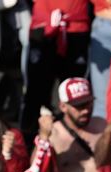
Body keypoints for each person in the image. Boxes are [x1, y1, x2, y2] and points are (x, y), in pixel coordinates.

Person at [20, 0, 91, 142]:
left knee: (76, 91)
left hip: (76, 28)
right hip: (44, 25)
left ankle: (76, 143)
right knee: (36, 91)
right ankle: (28, 143)